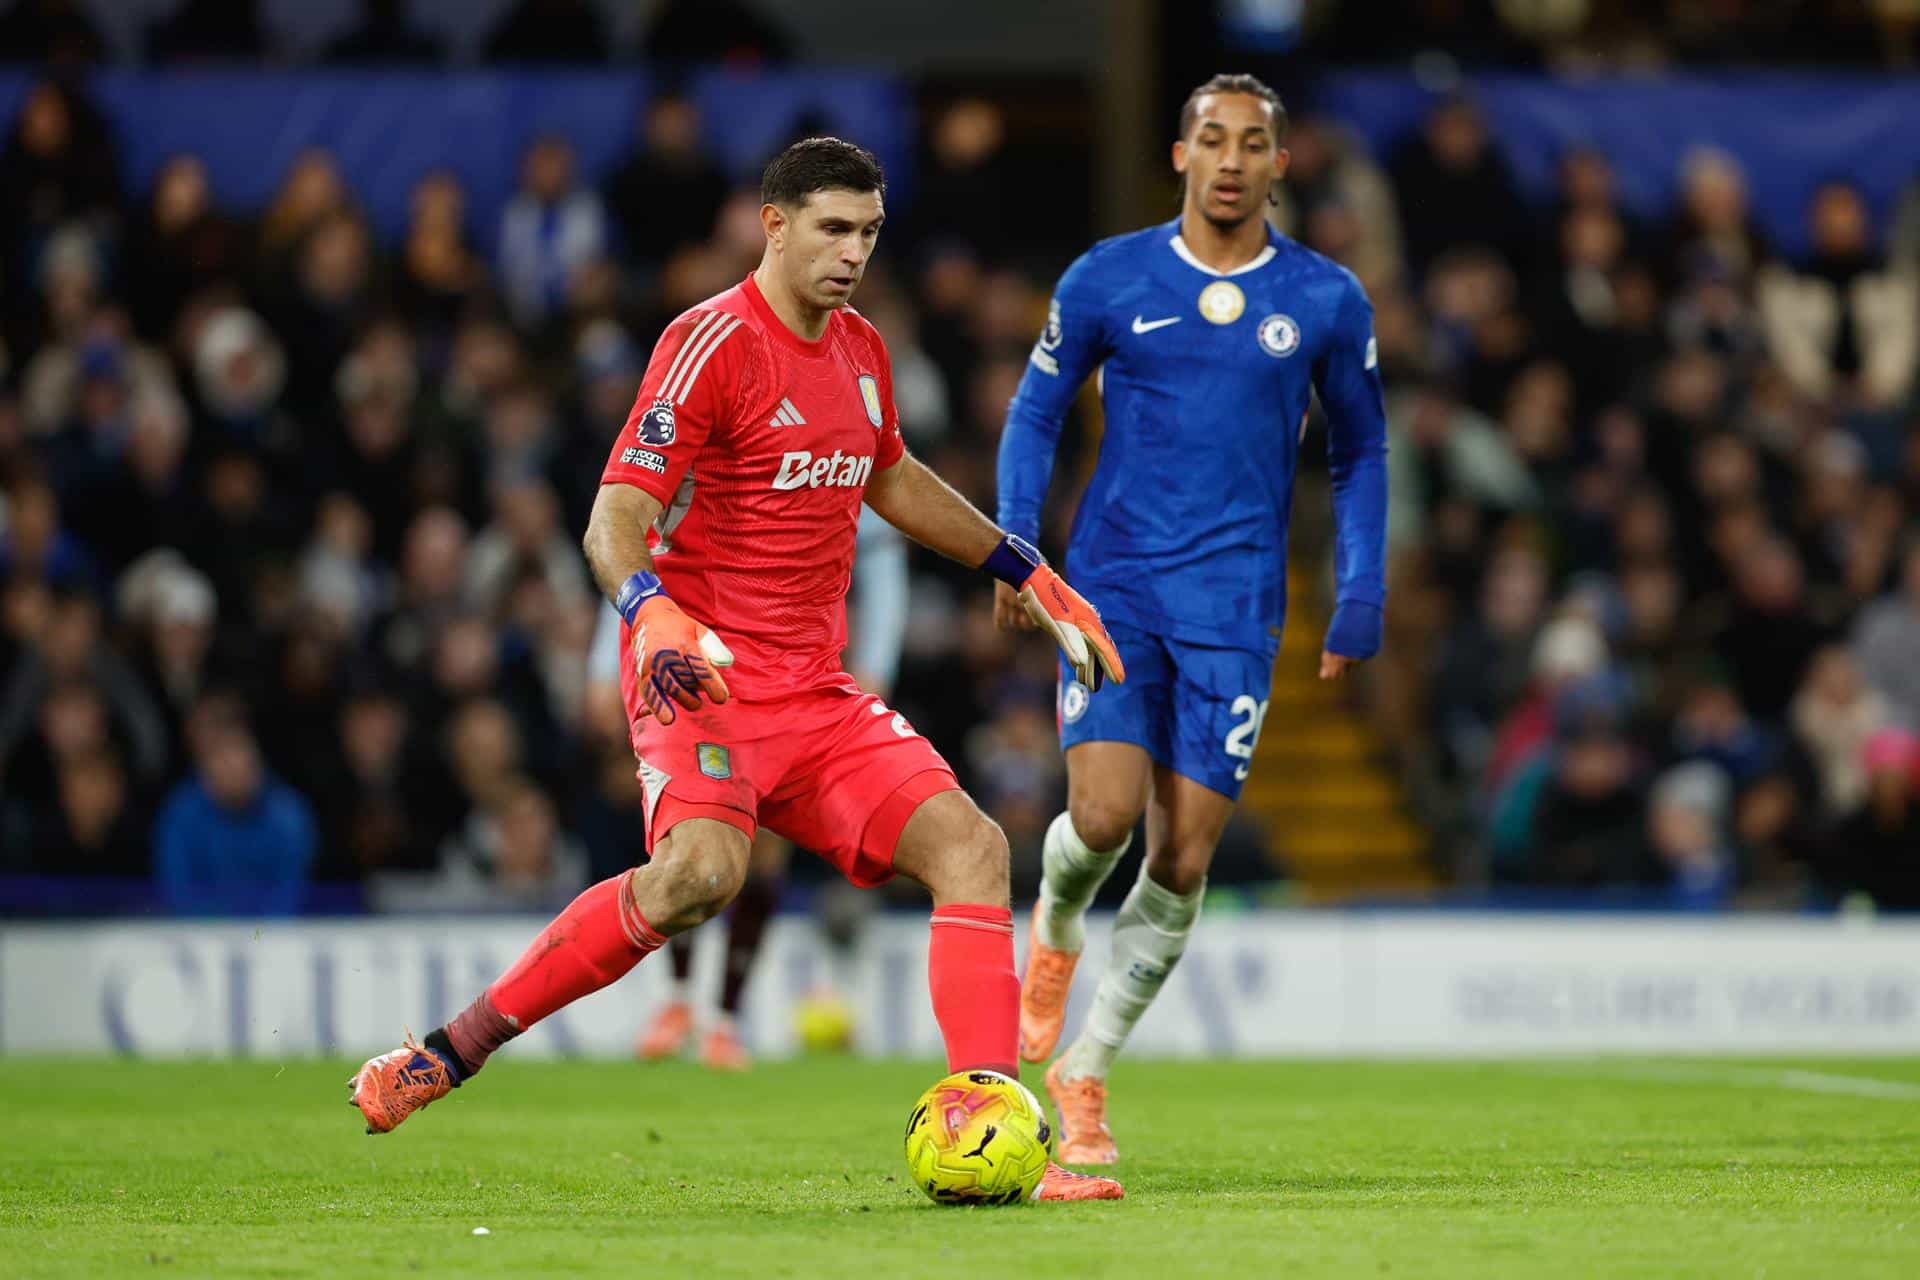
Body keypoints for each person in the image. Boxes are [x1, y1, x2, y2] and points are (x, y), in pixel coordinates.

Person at [349, 137, 1127, 1202]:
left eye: (868, 233)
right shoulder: (708, 342)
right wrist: (649, 608)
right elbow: (614, 518)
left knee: (974, 846)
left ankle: (988, 1127)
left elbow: (887, 475)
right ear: (774, 223)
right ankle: (448, 1048)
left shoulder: (862, 350)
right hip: (699, 672)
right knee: (698, 878)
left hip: (815, 690)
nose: (853, 253)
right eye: (833, 229)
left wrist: (1020, 564)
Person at [997, 73, 1388, 1164]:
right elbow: (1035, 408)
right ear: (1179, 155)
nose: (1229, 159)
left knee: (1183, 858)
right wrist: (1020, 542)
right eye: (1210, 139)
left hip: (1239, 606)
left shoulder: (1323, 297)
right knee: (1107, 814)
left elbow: (1360, 450)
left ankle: (1086, 1070)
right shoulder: (1110, 276)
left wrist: (1359, 591)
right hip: (1115, 584)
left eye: (1250, 142)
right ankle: (1057, 924)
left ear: (1279, 162)